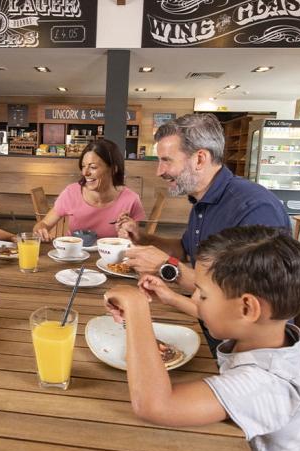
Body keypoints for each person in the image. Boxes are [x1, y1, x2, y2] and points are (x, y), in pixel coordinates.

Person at [103, 226, 300, 451]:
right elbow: (223, 317)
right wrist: (170, 297)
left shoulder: (264, 382)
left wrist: (136, 307)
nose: (196, 300)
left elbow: (154, 405)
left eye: (202, 295)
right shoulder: (269, 338)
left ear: (247, 308)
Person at [115, 113, 289, 354]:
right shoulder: (203, 200)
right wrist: (143, 239)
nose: (159, 171)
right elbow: (185, 249)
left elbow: (244, 305)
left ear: (200, 158)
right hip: (205, 322)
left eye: (166, 160)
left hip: (239, 350)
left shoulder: (254, 208)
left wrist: (167, 267)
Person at [33, 139, 145, 241]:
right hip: (74, 257)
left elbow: (136, 241)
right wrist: (41, 230)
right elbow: (44, 223)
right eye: (83, 166)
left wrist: (130, 236)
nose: (85, 173)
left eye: (93, 167)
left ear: (113, 169)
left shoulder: (131, 200)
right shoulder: (71, 193)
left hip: (110, 261)